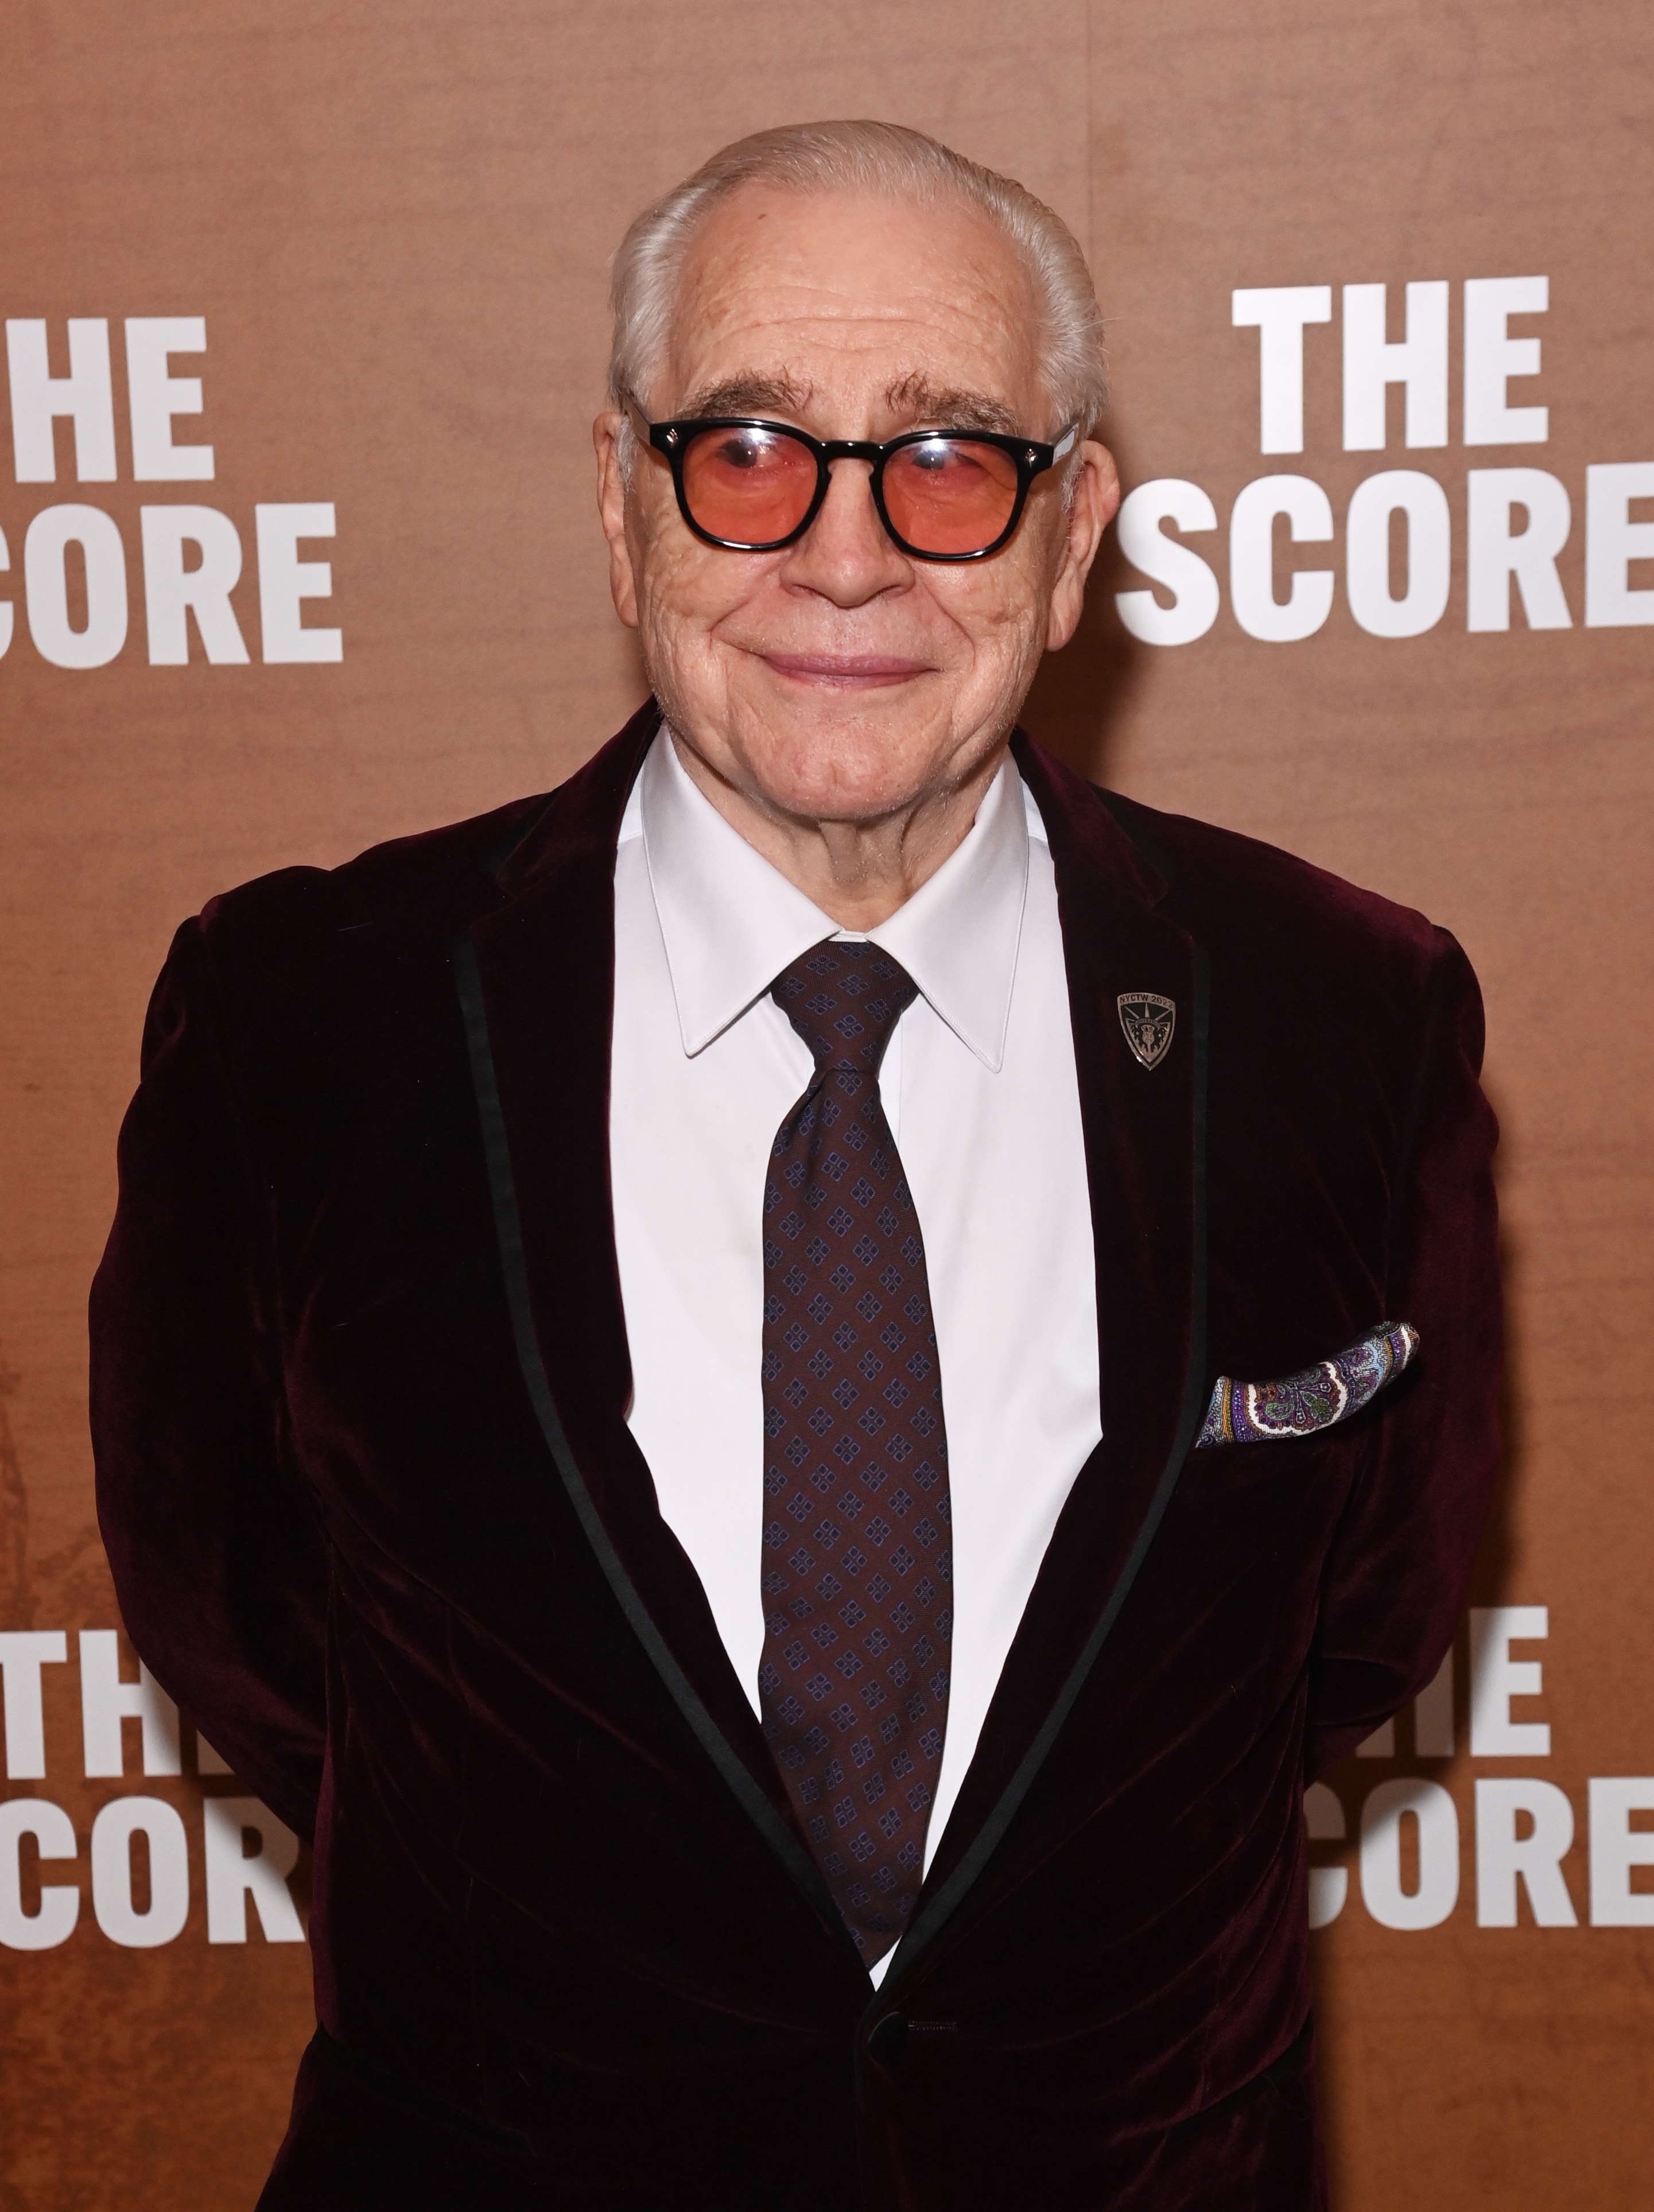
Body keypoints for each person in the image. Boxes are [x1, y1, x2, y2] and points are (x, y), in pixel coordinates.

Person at [89, 120, 1500, 2210]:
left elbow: (1358, 1628)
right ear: (616, 495)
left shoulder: (1342, 1013)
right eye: (748, 449)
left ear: (1074, 522)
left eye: (947, 462)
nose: (845, 558)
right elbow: (252, 1631)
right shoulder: (307, 1017)